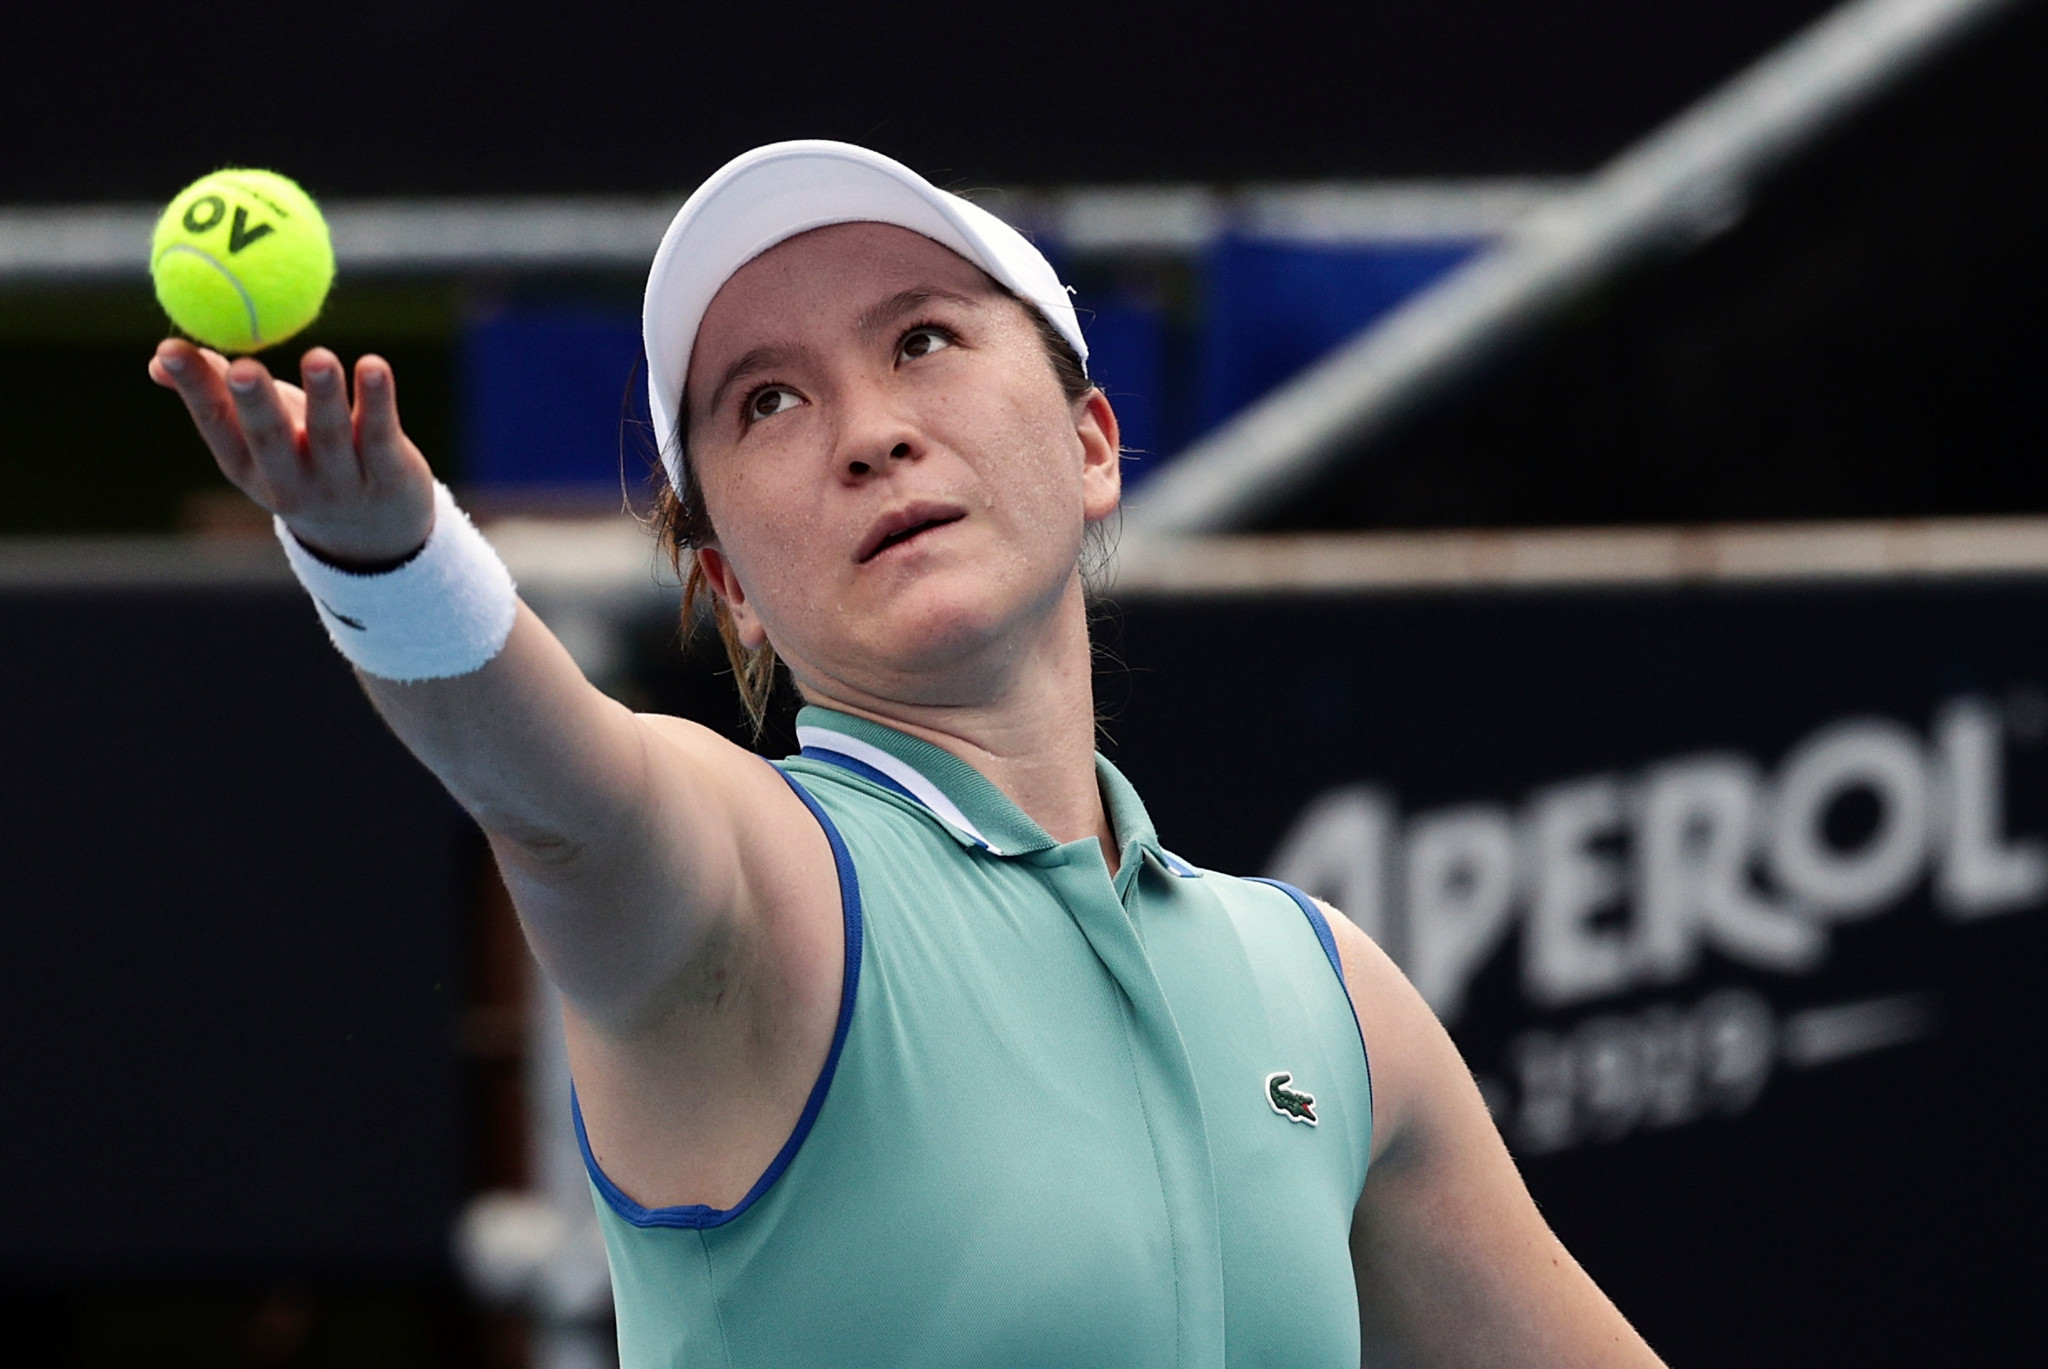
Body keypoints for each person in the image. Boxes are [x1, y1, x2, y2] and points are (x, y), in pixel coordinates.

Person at [150, 140, 1665, 1368]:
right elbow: (561, 803)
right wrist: (387, 555)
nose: (868, 431)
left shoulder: (1330, 996)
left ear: (1089, 443)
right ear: (728, 581)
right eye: (769, 400)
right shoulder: (758, 888)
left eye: (923, 339)